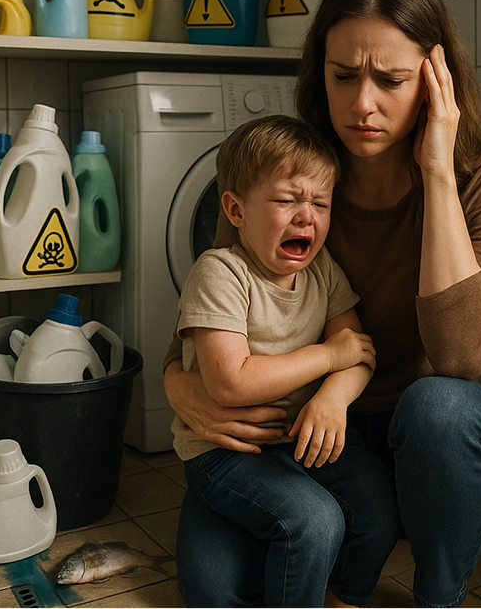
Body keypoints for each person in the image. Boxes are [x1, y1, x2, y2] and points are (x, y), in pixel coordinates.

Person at [163, 0, 481, 609]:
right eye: (343, 76)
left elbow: (468, 360)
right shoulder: (291, 179)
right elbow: (208, 308)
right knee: (215, 591)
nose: (362, 104)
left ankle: (439, 594)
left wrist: (437, 173)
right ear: (319, 74)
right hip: (305, 434)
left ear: (435, 82)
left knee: (441, 406)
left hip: (430, 448)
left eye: (391, 80)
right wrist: (181, 387)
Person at [175, 114, 378, 609]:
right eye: (287, 200)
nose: (306, 216)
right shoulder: (220, 272)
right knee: (313, 520)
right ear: (236, 209)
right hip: (223, 451)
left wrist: (333, 395)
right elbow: (231, 383)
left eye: (320, 203)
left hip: (297, 442)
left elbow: (360, 353)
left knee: (374, 507)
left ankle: (340, 598)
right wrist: (327, 356)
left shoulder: (322, 271)